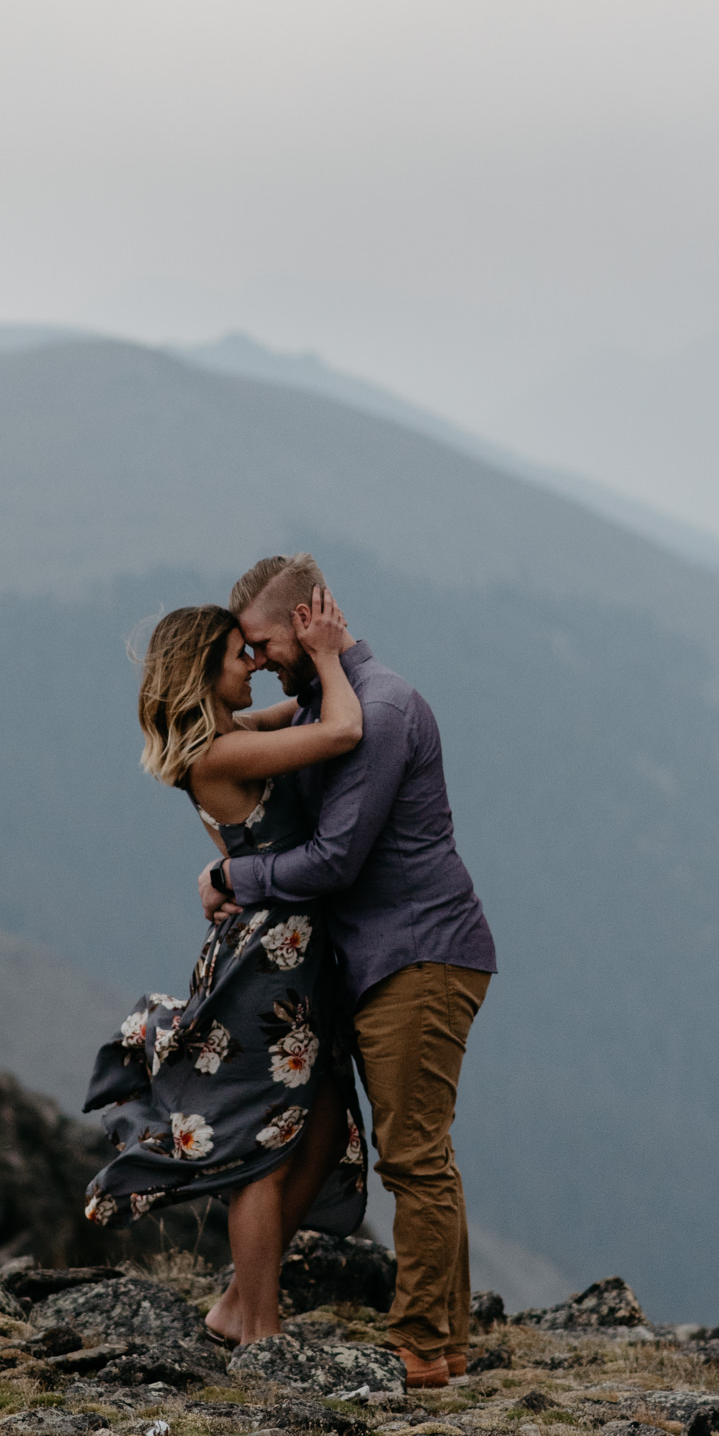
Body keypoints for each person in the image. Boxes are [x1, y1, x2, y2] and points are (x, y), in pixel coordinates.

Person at [200, 554, 495, 1389]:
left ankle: (417, 1351)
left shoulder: (384, 707)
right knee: (421, 1153)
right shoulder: (332, 700)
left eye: (259, 644)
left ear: (304, 623)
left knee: (413, 1157)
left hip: (419, 954)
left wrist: (230, 879)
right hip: (384, 957)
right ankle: (445, 1345)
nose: (255, 663)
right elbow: (233, 742)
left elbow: (332, 860)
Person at [81, 585, 369, 1345]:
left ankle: (240, 1305)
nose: (250, 666)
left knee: (321, 1127)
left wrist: (309, 664)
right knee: (266, 1149)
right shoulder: (222, 751)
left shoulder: (227, 735)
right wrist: (335, 658)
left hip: (287, 958)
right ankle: (260, 1332)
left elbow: (301, 717)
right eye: (238, 656)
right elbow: (340, 730)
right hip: (270, 966)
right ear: (205, 668)